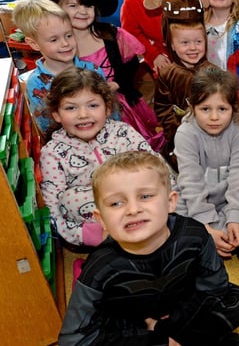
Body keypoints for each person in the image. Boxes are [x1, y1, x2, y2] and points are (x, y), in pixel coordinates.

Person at [59, 151, 239, 346]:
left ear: (170, 202)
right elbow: (74, 339)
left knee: (238, 301)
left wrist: (170, 326)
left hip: (180, 310)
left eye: (145, 196)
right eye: (116, 203)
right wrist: (153, 341)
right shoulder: (99, 268)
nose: (133, 210)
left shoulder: (195, 235)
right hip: (133, 327)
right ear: (102, 220)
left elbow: (214, 286)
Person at [43, 0, 164, 151]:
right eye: (73, 6)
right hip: (81, 116)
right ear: (58, 10)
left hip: (120, 109)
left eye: (87, 6)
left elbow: (132, 63)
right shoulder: (59, 48)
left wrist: (117, 84)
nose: (82, 11)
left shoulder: (110, 35)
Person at [39, 68, 158, 249]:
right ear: (56, 114)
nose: (83, 115)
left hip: (141, 207)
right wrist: (88, 236)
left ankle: (145, 229)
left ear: (107, 108)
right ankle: (117, 243)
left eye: (92, 105)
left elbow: (155, 166)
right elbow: (53, 209)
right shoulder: (52, 153)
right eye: (71, 108)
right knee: (70, 199)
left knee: (155, 174)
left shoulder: (123, 132)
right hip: (101, 230)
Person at [174, 67, 239, 281]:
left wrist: (235, 216)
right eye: (205, 109)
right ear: (192, 107)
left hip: (228, 190)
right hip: (197, 197)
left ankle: (224, 235)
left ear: (233, 107)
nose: (214, 117)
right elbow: (190, 182)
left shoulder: (238, 127)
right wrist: (206, 226)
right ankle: (238, 241)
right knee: (169, 207)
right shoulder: (185, 133)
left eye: (222, 109)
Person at [13, 0, 104, 134]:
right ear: (34, 44)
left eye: (68, 35)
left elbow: (108, 108)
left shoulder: (93, 70)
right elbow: (46, 126)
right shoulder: (36, 83)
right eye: (54, 39)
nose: (65, 44)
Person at [154, 0, 210, 170]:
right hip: (179, 137)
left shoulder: (213, 73)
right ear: (172, 44)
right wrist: (176, 133)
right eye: (184, 43)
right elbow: (163, 108)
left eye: (198, 42)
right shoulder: (167, 74)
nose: (193, 48)